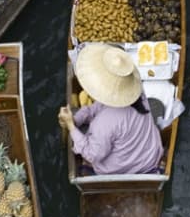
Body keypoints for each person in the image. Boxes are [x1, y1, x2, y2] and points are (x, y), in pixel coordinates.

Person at [57, 44, 163, 175]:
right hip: (149, 154)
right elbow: (94, 109)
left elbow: (92, 154)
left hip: (124, 168)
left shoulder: (105, 122)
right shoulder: (136, 93)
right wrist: (75, 119)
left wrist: (71, 126)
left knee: (84, 142)